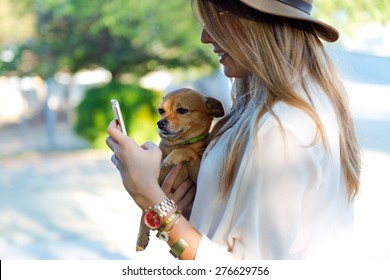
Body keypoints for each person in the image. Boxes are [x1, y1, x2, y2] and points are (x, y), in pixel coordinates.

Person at [106, 0, 361, 260]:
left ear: (258, 22)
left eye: (216, 18)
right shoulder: (281, 105)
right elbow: (227, 228)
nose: (205, 37)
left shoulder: (281, 128)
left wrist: (147, 193)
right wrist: (184, 209)